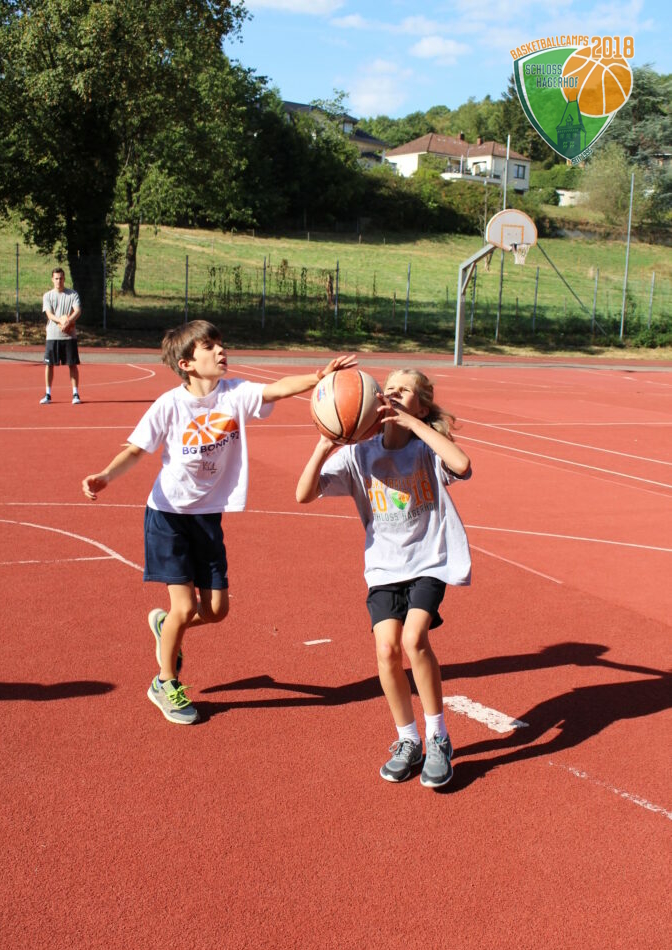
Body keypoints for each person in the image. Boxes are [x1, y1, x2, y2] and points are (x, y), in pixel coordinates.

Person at [82, 319, 356, 725]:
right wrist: (105, 476)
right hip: (168, 516)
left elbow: (277, 388)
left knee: (215, 610)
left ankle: (167, 626)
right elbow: (137, 450)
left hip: (207, 517)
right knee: (184, 605)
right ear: (186, 363)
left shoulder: (234, 393)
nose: (220, 350)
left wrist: (318, 378)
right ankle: (164, 681)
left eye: (220, 343)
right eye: (209, 346)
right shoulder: (169, 405)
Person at [296, 368, 471, 788]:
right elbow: (303, 494)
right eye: (387, 388)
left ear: (421, 407)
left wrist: (414, 425)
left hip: (429, 560)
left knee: (414, 639)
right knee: (387, 650)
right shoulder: (360, 454)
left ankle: (438, 736)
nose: (392, 394)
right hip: (384, 567)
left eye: (404, 391)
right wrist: (325, 443)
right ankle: (408, 739)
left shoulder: (426, 450)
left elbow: (462, 465)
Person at [41, 268, 82, 404]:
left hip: (69, 336)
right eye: (56, 278)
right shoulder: (47, 296)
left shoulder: (73, 294)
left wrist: (68, 321)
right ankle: (48, 394)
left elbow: (78, 311)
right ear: (52, 279)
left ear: (64, 279)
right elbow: (49, 314)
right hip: (52, 336)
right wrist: (61, 321)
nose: (59, 281)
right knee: (49, 365)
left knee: (72, 364)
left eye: (61, 278)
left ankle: (75, 394)